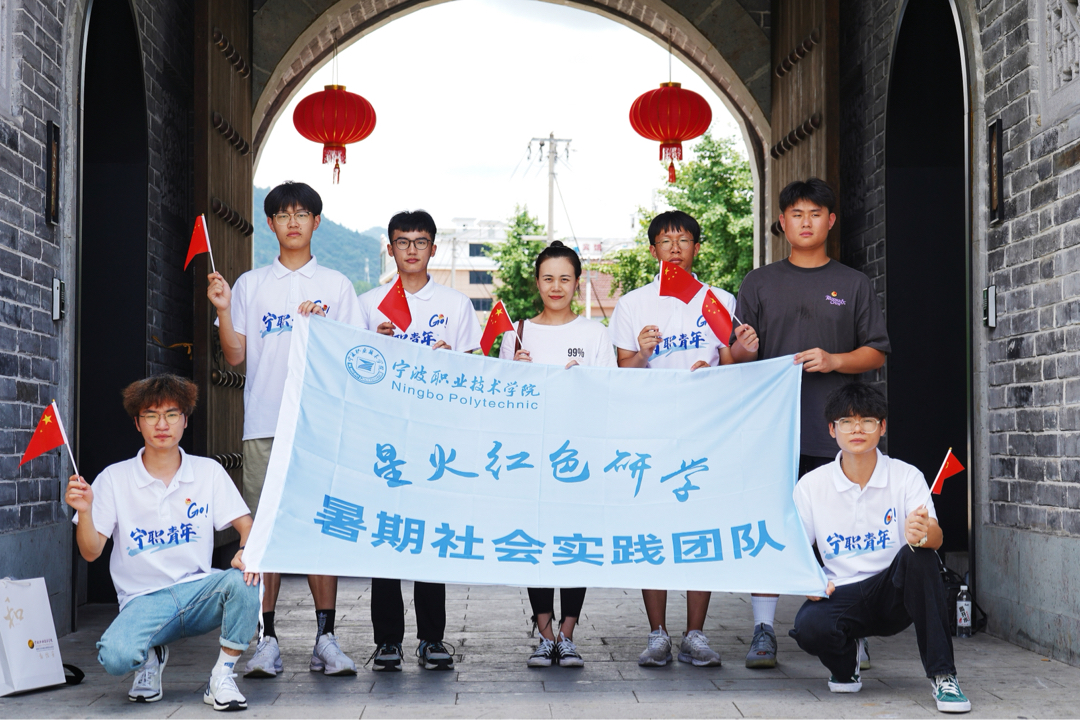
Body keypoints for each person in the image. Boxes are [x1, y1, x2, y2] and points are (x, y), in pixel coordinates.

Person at [733, 178, 891, 669]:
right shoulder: (758, 283)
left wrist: (834, 360)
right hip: (772, 430)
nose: (806, 222)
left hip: (837, 430)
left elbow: (876, 351)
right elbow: (736, 357)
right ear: (782, 223)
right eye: (796, 214)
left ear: (830, 221)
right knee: (769, 525)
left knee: (839, 530)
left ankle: (851, 626)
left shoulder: (853, 283)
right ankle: (763, 629)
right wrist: (744, 348)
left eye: (815, 213)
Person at [207, 181, 362, 678]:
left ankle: (325, 638)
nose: (293, 222)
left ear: (317, 222)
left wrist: (324, 329)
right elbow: (235, 356)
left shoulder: (336, 286)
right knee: (264, 530)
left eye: (302, 214)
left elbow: (354, 357)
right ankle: (266, 639)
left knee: (320, 527)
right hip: (265, 423)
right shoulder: (251, 284)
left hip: (320, 426)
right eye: (282, 214)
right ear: (270, 223)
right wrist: (223, 308)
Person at [609, 210, 759, 668]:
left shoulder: (719, 299)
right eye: (666, 240)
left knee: (700, 529)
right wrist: (644, 352)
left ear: (696, 247)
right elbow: (623, 370)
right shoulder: (633, 303)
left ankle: (695, 633)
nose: (675, 248)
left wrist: (742, 351)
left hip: (705, 431)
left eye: (684, 239)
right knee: (652, 530)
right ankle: (657, 634)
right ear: (652, 249)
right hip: (651, 431)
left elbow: (731, 366)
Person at [65, 375, 259, 711]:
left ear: (185, 420)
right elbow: (90, 552)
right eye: (151, 415)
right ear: (137, 423)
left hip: (198, 591)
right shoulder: (114, 478)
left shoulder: (208, 472)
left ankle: (222, 676)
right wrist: (85, 512)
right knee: (115, 657)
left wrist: (245, 552)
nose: (162, 425)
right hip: (142, 601)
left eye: (171, 414)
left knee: (248, 579)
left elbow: (248, 526)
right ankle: (149, 657)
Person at [789, 382, 971, 713]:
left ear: (882, 426)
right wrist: (808, 578)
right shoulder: (812, 485)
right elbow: (795, 549)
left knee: (921, 556)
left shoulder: (906, 477)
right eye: (846, 421)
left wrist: (923, 532)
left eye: (868, 420)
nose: (857, 429)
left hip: (894, 592)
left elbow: (936, 539)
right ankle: (846, 664)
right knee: (808, 626)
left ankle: (944, 675)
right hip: (841, 592)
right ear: (832, 429)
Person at [357, 209, 482, 671]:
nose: (412, 249)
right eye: (403, 241)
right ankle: (387, 640)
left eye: (421, 241)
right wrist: (374, 344)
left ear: (433, 247)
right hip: (385, 434)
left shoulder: (455, 304)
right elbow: (352, 369)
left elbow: (473, 369)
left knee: (432, 536)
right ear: (390, 248)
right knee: (387, 535)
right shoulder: (368, 304)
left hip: (435, 437)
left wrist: (452, 360)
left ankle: (432, 638)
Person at [498, 240, 616, 668]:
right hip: (531, 457)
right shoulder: (517, 334)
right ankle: (544, 634)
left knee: (573, 542)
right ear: (537, 282)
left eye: (565, 278)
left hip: (579, 458)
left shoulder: (594, 334)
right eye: (548, 278)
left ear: (577, 283)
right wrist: (517, 374)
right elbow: (502, 402)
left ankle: (567, 634)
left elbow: (611, 394)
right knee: (535, 542)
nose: (556, 286)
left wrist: (585, 383)